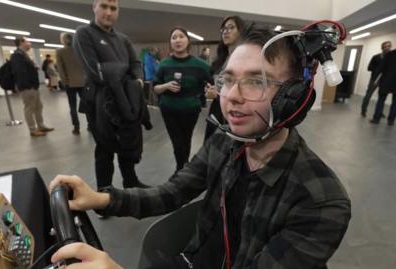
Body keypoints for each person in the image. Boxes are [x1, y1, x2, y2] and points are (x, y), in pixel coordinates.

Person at [49, 25, 351, 269]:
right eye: (228, 80)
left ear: (293, 99)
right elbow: (172, 192)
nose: (232, 95)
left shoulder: (321, 201)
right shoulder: (224, 142)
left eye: (256, 82)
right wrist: (101, 199)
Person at [73, 0, 150, 189]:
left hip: (126, 100)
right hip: (99, 102)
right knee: (105, 148)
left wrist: (138, 80)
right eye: (104, 6)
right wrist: (124, 72)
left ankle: (130, 182)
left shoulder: (123, 39)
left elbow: (136, 64)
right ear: (94, 7)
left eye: (113, 8)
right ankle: (103, 193)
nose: (108, 12)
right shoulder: (84, 34)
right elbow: (94, 71)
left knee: (127, 142)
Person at [153, 27, 211, 172]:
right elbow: (155, 88)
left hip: (191, 109)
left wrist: (207, 91)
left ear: (188, 40)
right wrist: (166, 85)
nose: (178, 40)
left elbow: (212, 81)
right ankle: (182, 169)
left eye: (181, 36)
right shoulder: (164, 64)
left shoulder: (200, 64)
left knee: (186, 139)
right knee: (177, 142)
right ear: (170, 42)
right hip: (169, 110)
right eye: (174, 37)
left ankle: (182, 168)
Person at [204, 16, 246, 142]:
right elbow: (217, 86)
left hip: (236, 110)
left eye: (231, 28)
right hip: (217, 109)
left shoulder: (245, 57)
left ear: (241, 31)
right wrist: (210, 92)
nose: (226, 31)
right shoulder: (220, 59)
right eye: (223, 29)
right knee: (211, 148)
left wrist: (217, 94)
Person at [10, 37, 54, 137]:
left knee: (38, 106)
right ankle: (32, 129)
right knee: (29, 108)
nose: (29, 44)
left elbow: (26, 69)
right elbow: (19, 72)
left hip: (33, 86)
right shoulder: (17, 55)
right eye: (27, 42)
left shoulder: (23, 55)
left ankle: (41, 125)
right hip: (27, 87)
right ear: (21, 42)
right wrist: (28, 85)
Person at [57, 32, 87, 135]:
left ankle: (76, 128)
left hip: (70, 83)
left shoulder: (60, 51)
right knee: (86, 104)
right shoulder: (80, 50)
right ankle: (90, 125)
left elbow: (61, 69)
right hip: (83, 82)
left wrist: (65, 82)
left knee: (72, 106)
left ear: (63, 40)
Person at [360, 41, 391, 117]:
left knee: (382, 97)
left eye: (389, 46)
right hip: (374, 79)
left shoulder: (391, 58)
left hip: (384, 80)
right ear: (382, 48)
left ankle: (379, 112)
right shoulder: (376, 57)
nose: (387, 48)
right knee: (368, 95)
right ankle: (363, 110)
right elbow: (369, 67)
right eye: (386, 46)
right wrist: (379, 70)